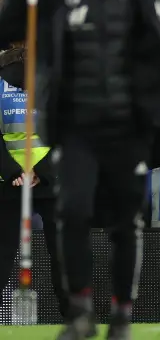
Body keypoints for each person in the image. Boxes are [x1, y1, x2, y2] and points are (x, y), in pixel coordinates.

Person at [0, 0, 160, 340]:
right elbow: (7, 27)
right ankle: (78, 312)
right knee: (72, 212)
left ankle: (121, 314)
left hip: (128, 123)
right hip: (74, 123)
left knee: (124, 220)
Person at [0, 41, 65, 318]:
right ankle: (74, 318)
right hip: (51, 181)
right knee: (63, 255)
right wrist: (42, 171)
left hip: (8, 182)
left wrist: (15, 172)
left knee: (2, 256)